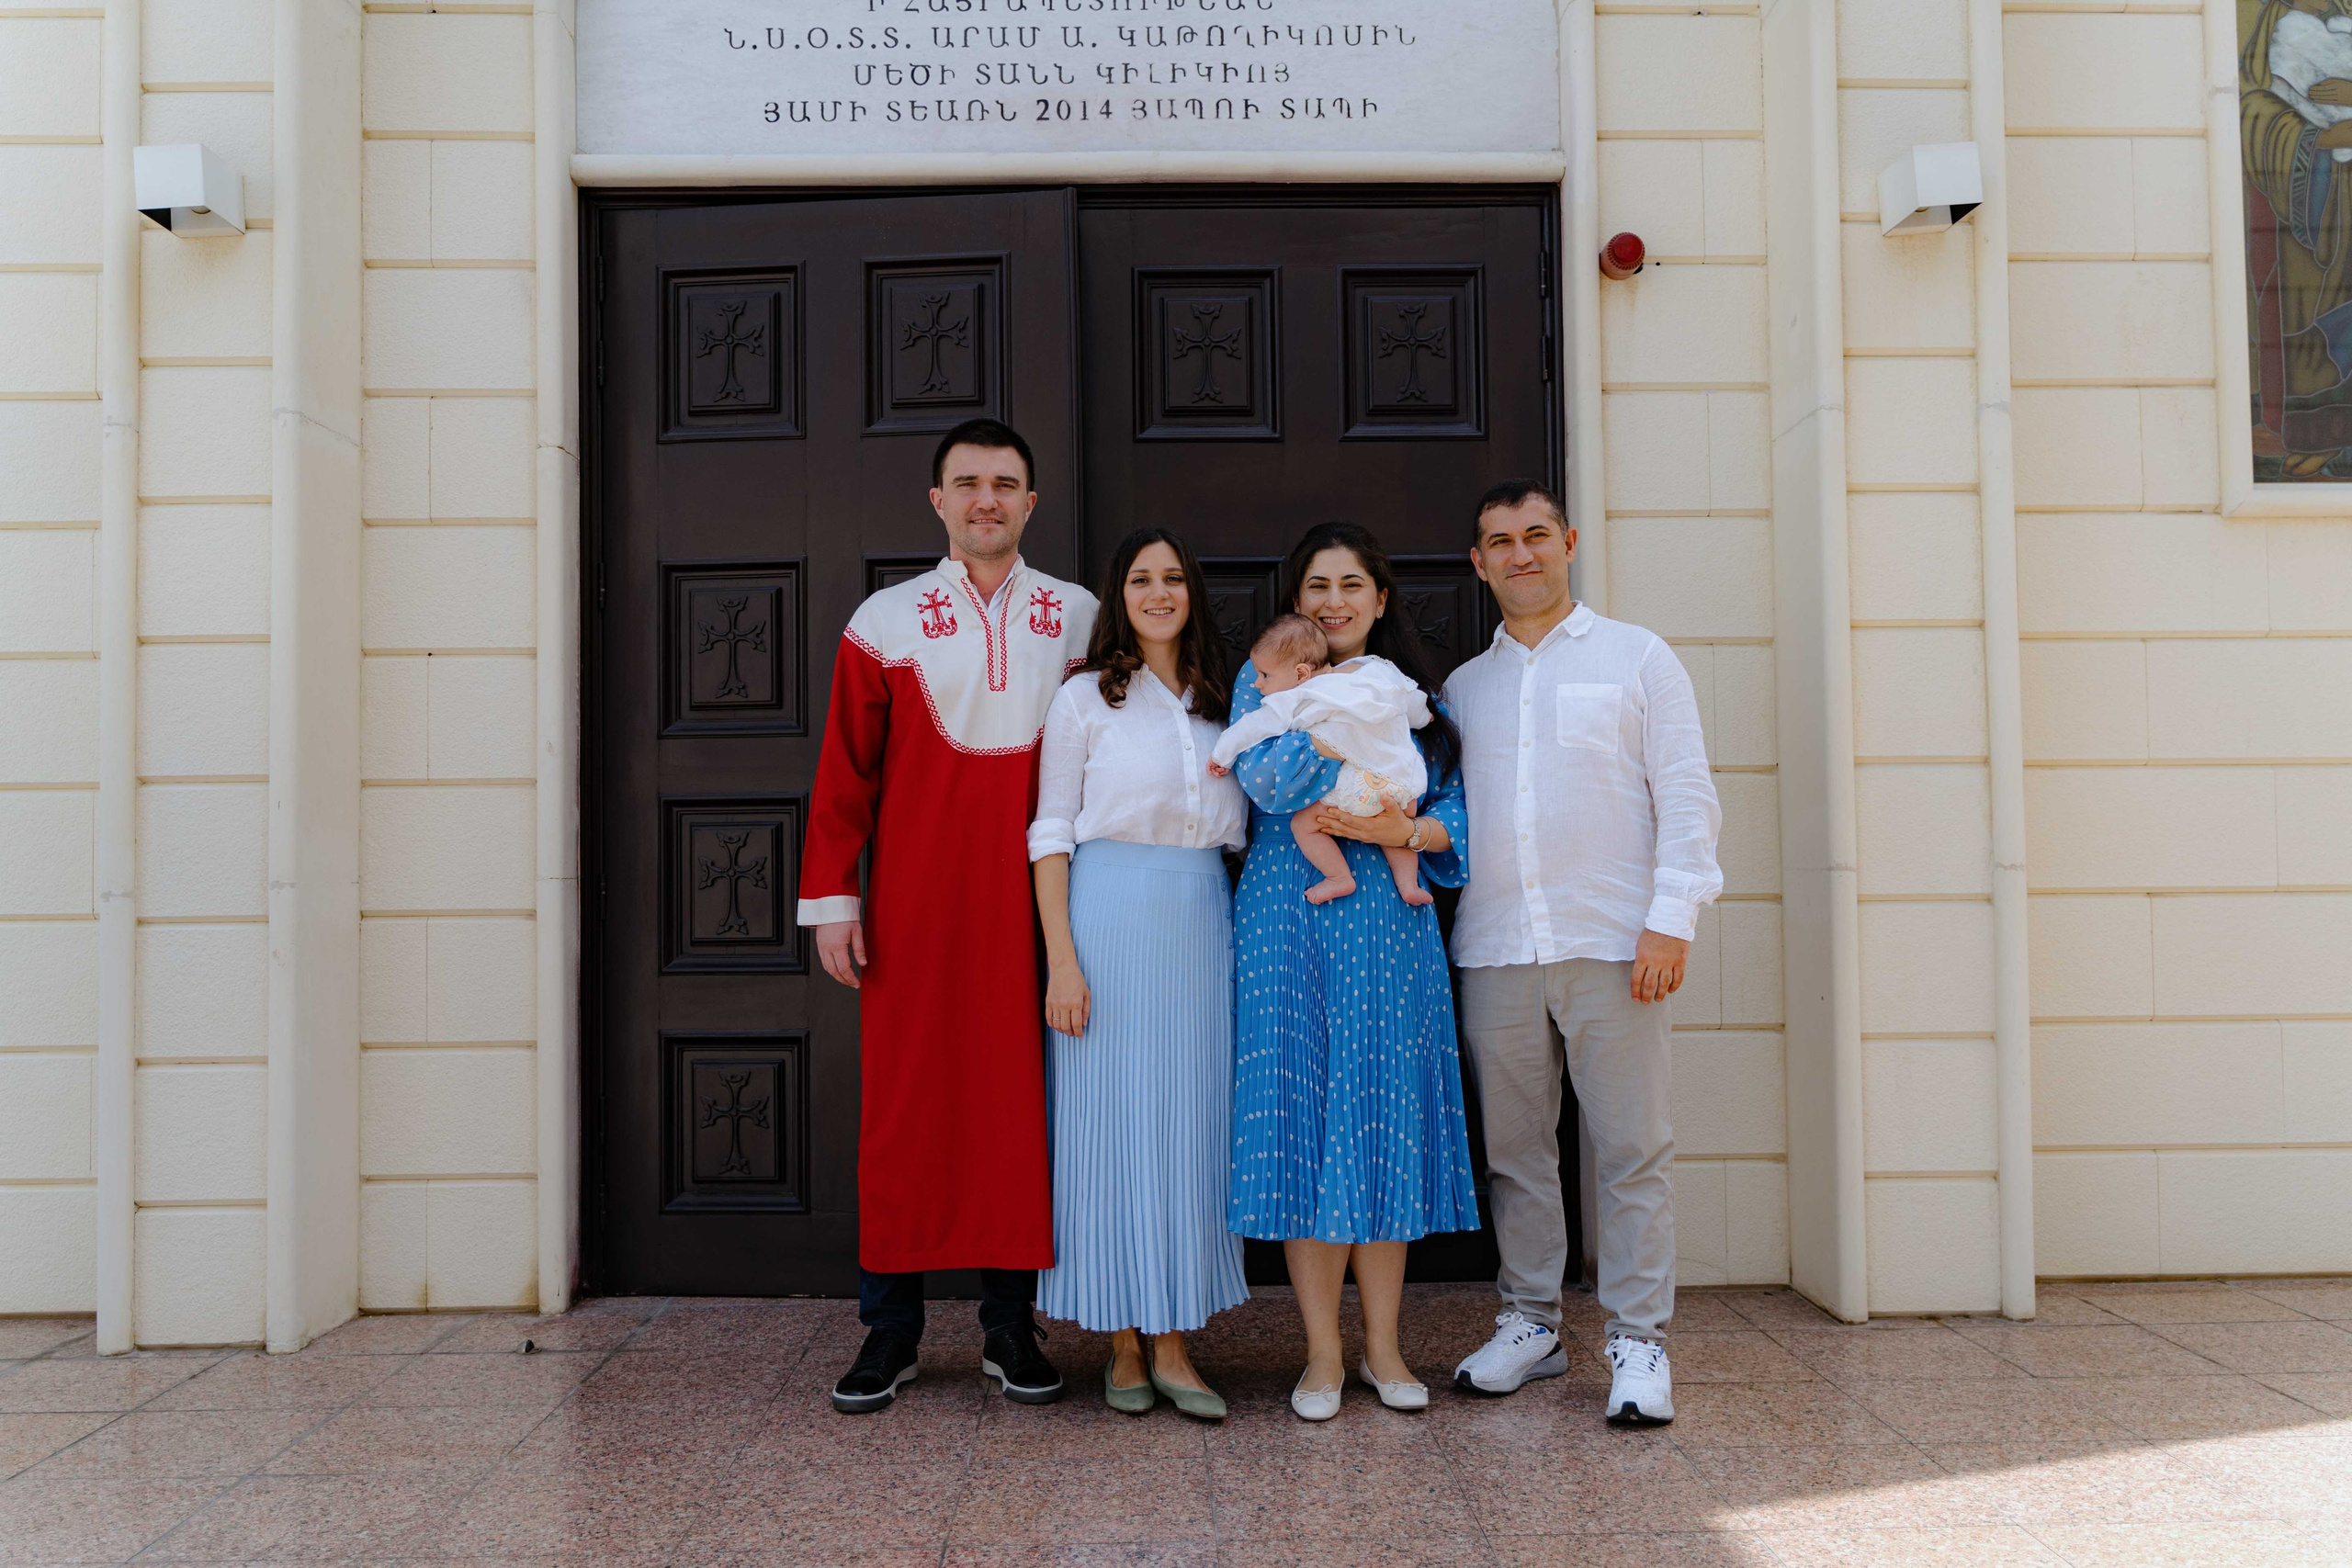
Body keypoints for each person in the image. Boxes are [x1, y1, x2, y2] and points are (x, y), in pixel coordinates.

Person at [797, 417, 1098, 1415]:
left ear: (1030, 502)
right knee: (905, 1109)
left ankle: (1011, 1328)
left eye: (1005, 484)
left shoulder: (1079, 616)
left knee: (1021, 1111)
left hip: (1044, 904)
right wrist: (834, 900)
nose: (986, 500)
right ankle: (889, 1331)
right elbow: (845, 773)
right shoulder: (883, 620)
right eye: (967, 483)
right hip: (916, 904)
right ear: (937, 501)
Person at [1442, 479, 1721, 1427]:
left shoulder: (1637, 658)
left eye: (1533, 536)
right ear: (1477, 563)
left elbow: (1684, 793)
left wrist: (1670, 917)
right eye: (1498, 542)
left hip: (1614, 944)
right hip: (1496, 949)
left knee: (1632, 1151)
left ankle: (1639, 1343)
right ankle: (1531, 1324)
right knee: (1517, 1155)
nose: (1519, 554)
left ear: (1567, 542)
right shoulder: (1460, 691)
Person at [1224, 521, 1480, 1422]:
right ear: (1299, 601)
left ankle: (1382, 1346)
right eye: (1317, 587)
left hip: (1385, 924)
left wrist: (1399, 830)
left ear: (1379, 600)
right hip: (1285, 921)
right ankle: (1322, 1356)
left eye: (1351, 586)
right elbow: (1268, 783)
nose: (1333, 602)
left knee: (1375, 1118)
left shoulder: (1418, 699)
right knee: (1301, 1115)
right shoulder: (1261, 684)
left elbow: (1456, 820)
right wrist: (1333, 719)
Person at [1029, 527, 1250, 1419]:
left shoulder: (1223, 703)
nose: (1157, 592)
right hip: (1108, 917)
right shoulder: (1084, 700)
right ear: (1117, 596)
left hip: (1203, 922)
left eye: (1172, 577)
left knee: (1188, 1128)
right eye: (1139, 579)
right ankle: (1121, 1340)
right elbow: (1049, 835)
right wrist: (1062, 965)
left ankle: (1174, 1339)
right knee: (1112, 1123)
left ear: (1191, 590)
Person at [1207, 615, 1435, 908]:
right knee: (1399, 830)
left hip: (1359, 788)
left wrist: (1221, 754)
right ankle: (1408, 885)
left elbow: (1253, 726)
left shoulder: (1302, 696)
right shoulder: (1375, 670)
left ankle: (1339, 877)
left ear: (1301, 673)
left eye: (1265, 675)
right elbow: (1411, 701)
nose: (1257, 683)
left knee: (1304, 825)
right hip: (1405, 783)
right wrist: (1424, 717)